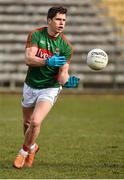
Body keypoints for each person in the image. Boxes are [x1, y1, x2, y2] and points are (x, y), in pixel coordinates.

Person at [13, 6, 80, 169]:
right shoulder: (36, 34)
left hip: (50, 87)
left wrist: (67, 81)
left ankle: (23, 153)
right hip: (31, 85)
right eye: (58, 19)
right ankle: (33, 147)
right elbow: (29, 59)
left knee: (36, 122)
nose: (61, 23)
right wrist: (46, 61)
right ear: (49, 20)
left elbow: (63, 74)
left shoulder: (66, 47)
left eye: (64, 20)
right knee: (27, 123)